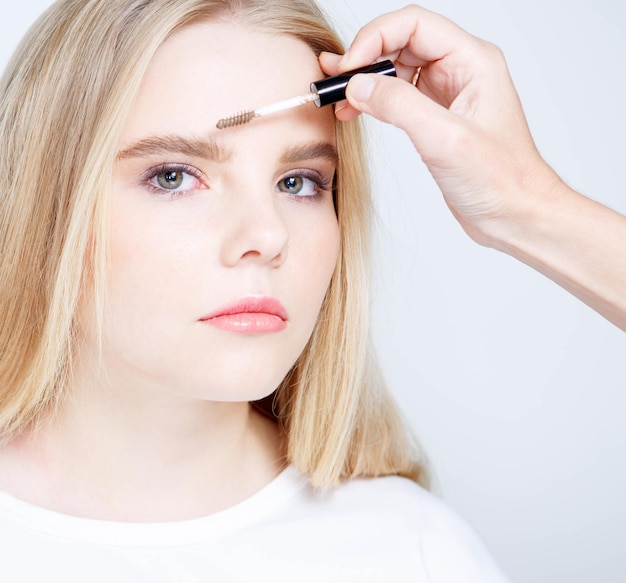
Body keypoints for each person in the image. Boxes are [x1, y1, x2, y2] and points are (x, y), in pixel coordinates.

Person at [0, 1, 622, 582]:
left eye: (299, 182)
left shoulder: (411, 552)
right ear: (43, 205)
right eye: (173, 176)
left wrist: (523, 205)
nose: (268, 236)